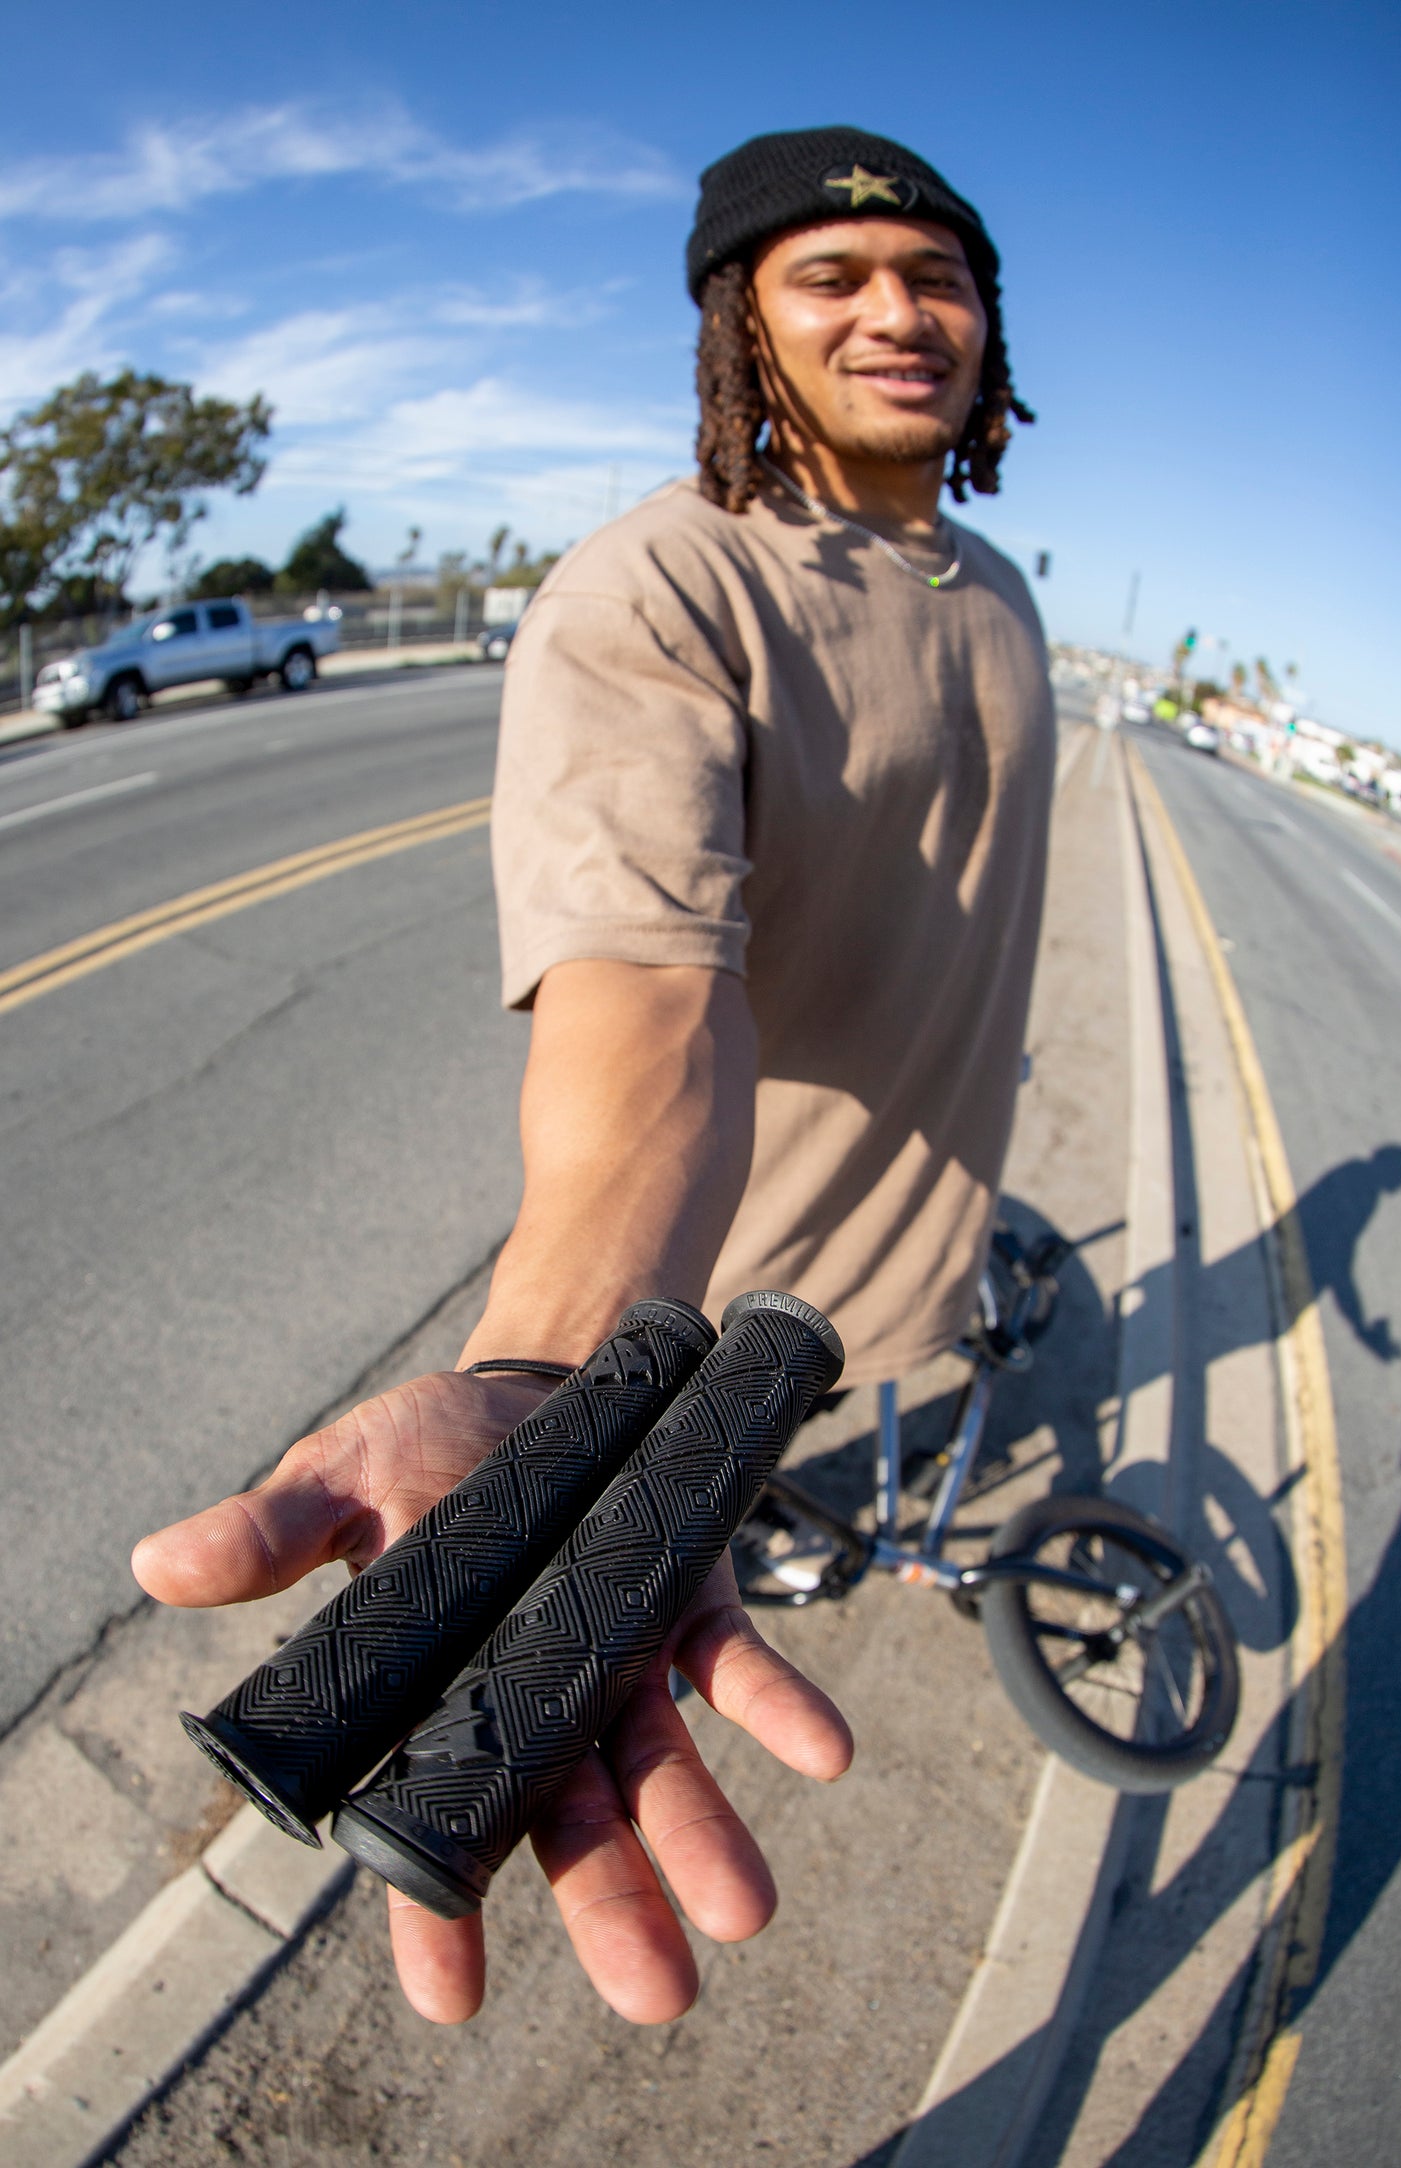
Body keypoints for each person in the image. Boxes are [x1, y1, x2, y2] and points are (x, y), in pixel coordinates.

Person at [132, 125, 1055, 2028]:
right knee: (703, 1592)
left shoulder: (1000, 593)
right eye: (835, 278)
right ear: (740, 322)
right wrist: (547, 1390)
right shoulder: (660, 597)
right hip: (719, 1343)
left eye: (938, 276)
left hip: (926, 1265)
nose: (900, 311)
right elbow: (644, 1019)